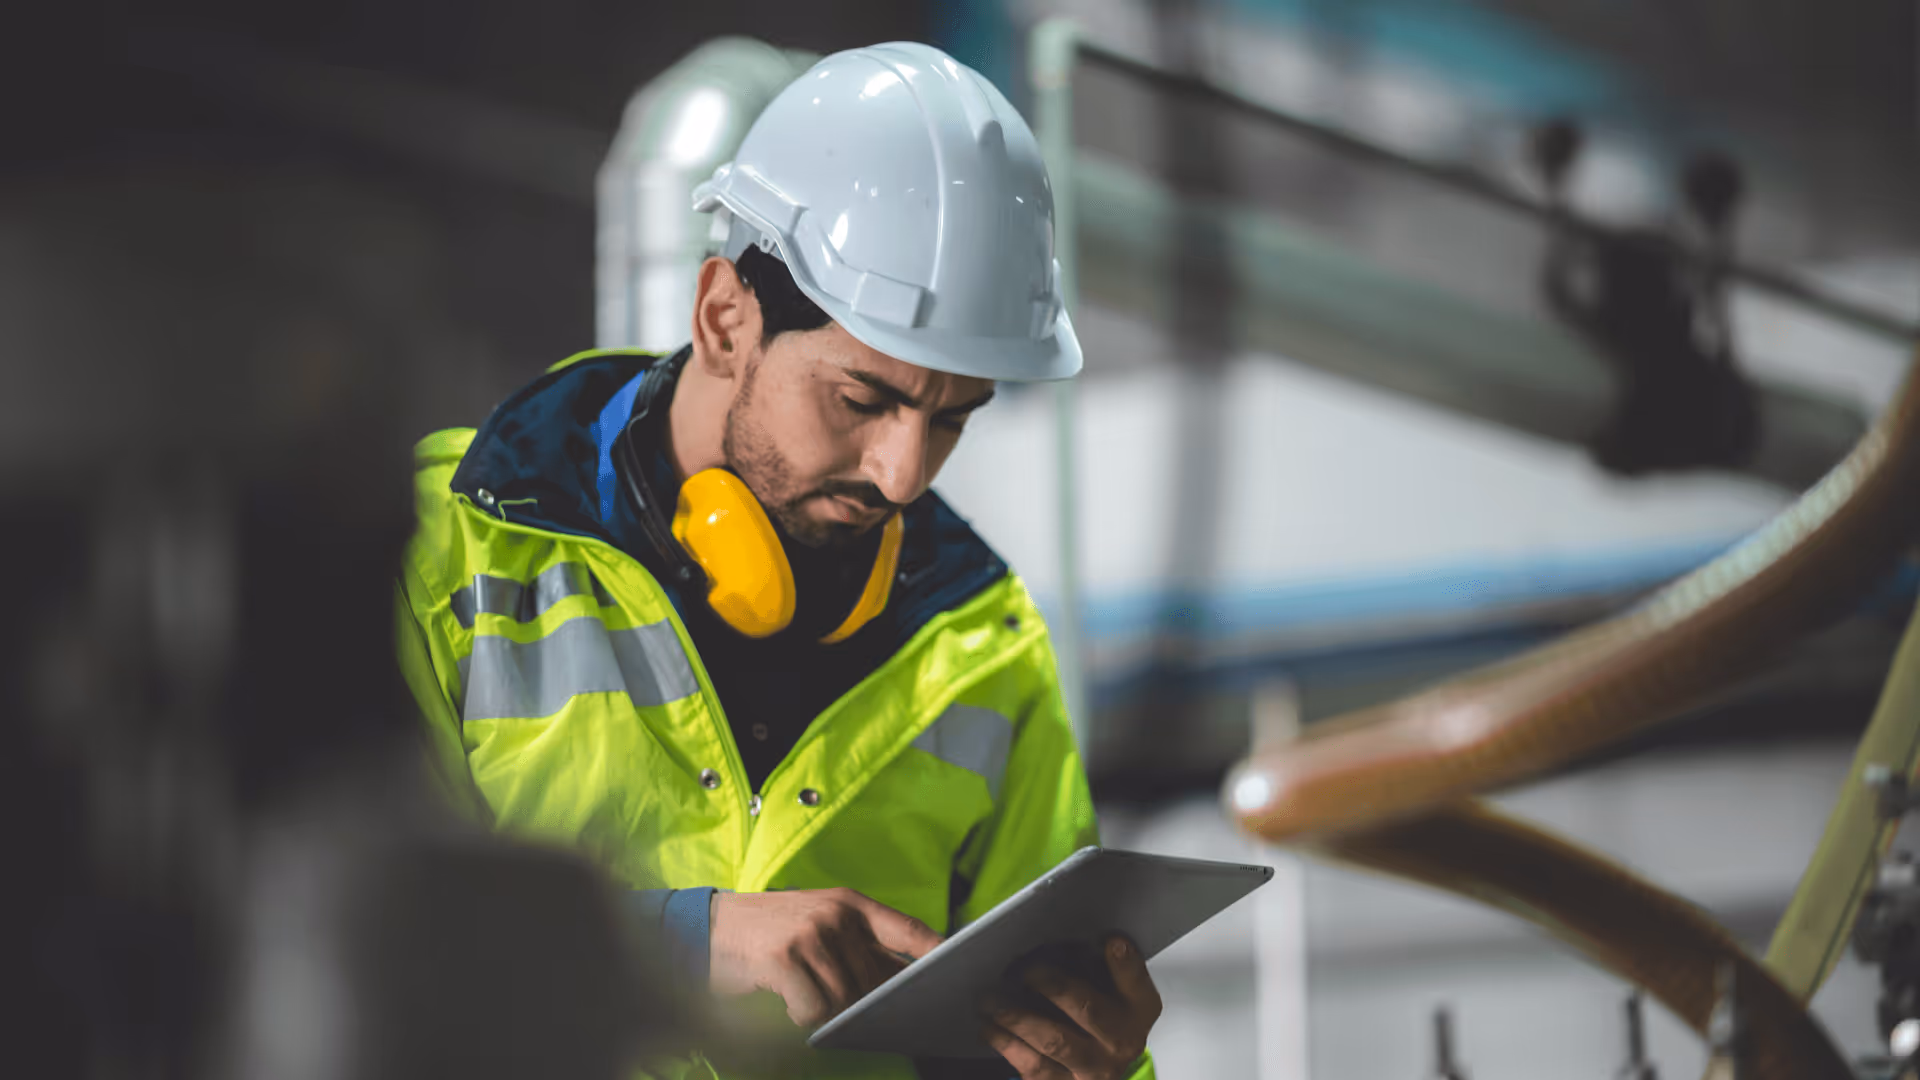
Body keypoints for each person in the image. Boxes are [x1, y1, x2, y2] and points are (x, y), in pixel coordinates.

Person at [394, 41, 1160, 1080]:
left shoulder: (977, 640)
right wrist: (680, 944)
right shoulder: (449, 553)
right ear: (724, 319)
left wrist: (1093, 1067)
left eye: (951, 421)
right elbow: (338, 955)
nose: (901, 475)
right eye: (862, 400)